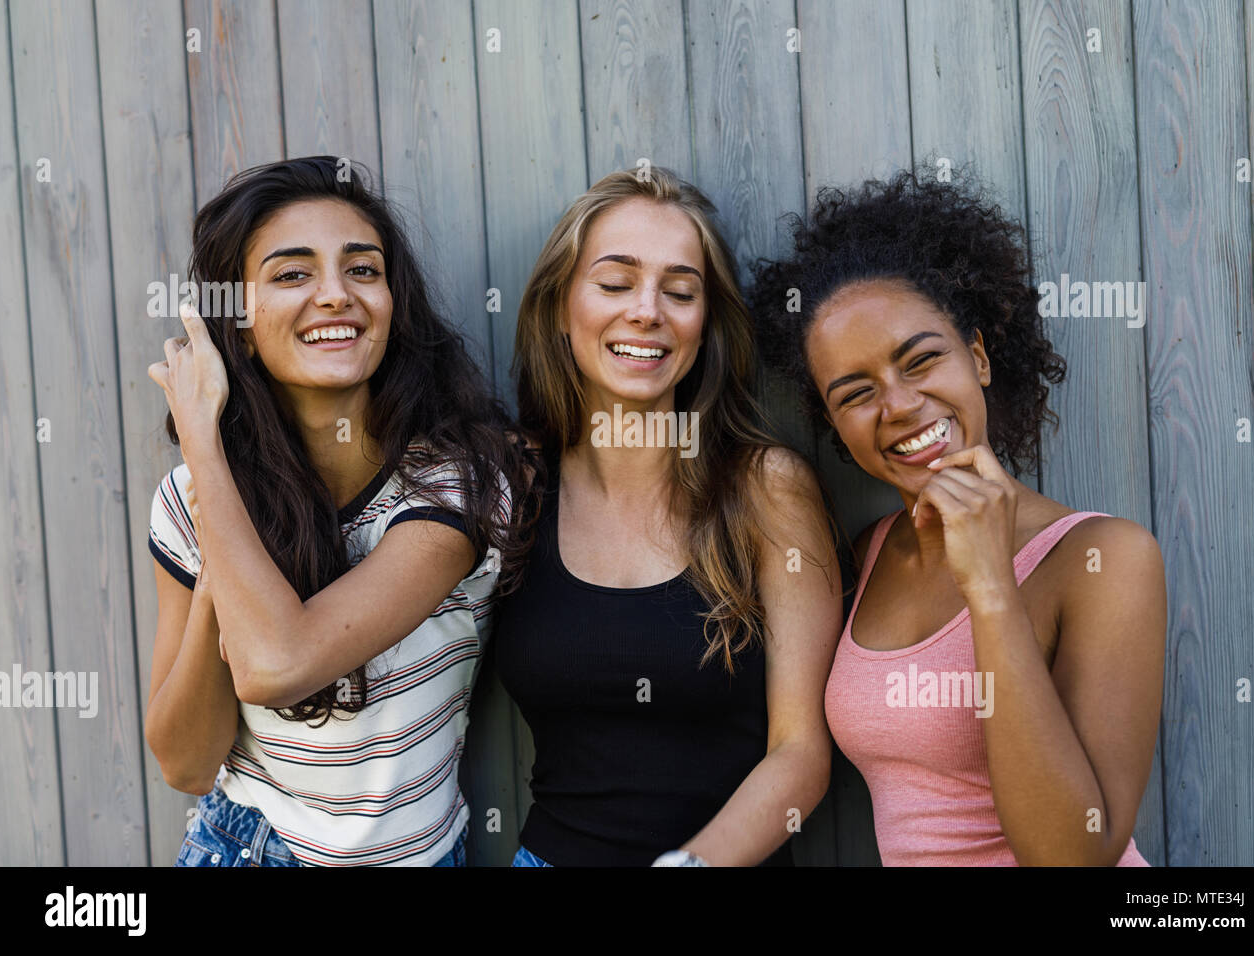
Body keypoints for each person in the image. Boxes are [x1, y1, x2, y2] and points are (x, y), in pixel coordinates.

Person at [749, 168, 1166, 866]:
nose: (901, 404)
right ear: (834, 424)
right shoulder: (866, 554)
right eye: (856, 394)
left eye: (921, 360)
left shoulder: (1104, 559)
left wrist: (991, 590)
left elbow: (1074, 856)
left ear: (977, 356)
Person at [145, 156, 525, 866]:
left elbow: (275, 664)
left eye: (362, 269)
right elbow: (187, 767)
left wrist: (203, 444)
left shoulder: (457, 484)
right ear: (241, 327)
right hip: (246, 846)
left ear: (393, 302)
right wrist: (217, 496)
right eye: (292, 275)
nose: (335, 295)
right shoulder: (192, 496)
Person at [495, 168, 842, 866]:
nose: (647, 310)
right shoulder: (514, 482)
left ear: (704, 322)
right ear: (562, 307)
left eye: (680, 292)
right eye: (615, 283)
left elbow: (801, 752)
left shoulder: (766, 490)